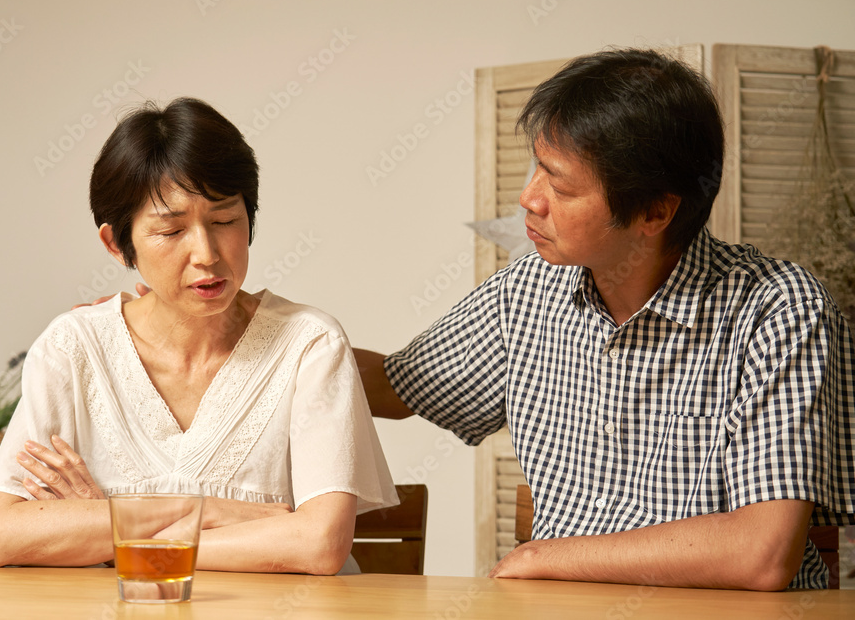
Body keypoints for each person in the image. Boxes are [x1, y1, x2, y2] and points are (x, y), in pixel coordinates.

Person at [356, 48, 855, 590]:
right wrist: (288, 335)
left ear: (655, 212)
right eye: (536, 167)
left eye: (560, 185)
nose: (529, 199)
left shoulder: (779, 311)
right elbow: (395, 387)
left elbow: (762, 553)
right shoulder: (528, 289)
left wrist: (546, 557)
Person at [0, 98, 398, 575]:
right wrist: (210, 513)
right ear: (117, 244)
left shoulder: (310, 345)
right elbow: (1, 535)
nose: (206, 254)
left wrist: (111, 536)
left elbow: (319, 545)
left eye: (225, 221)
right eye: (171, 230)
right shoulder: (73, 347)